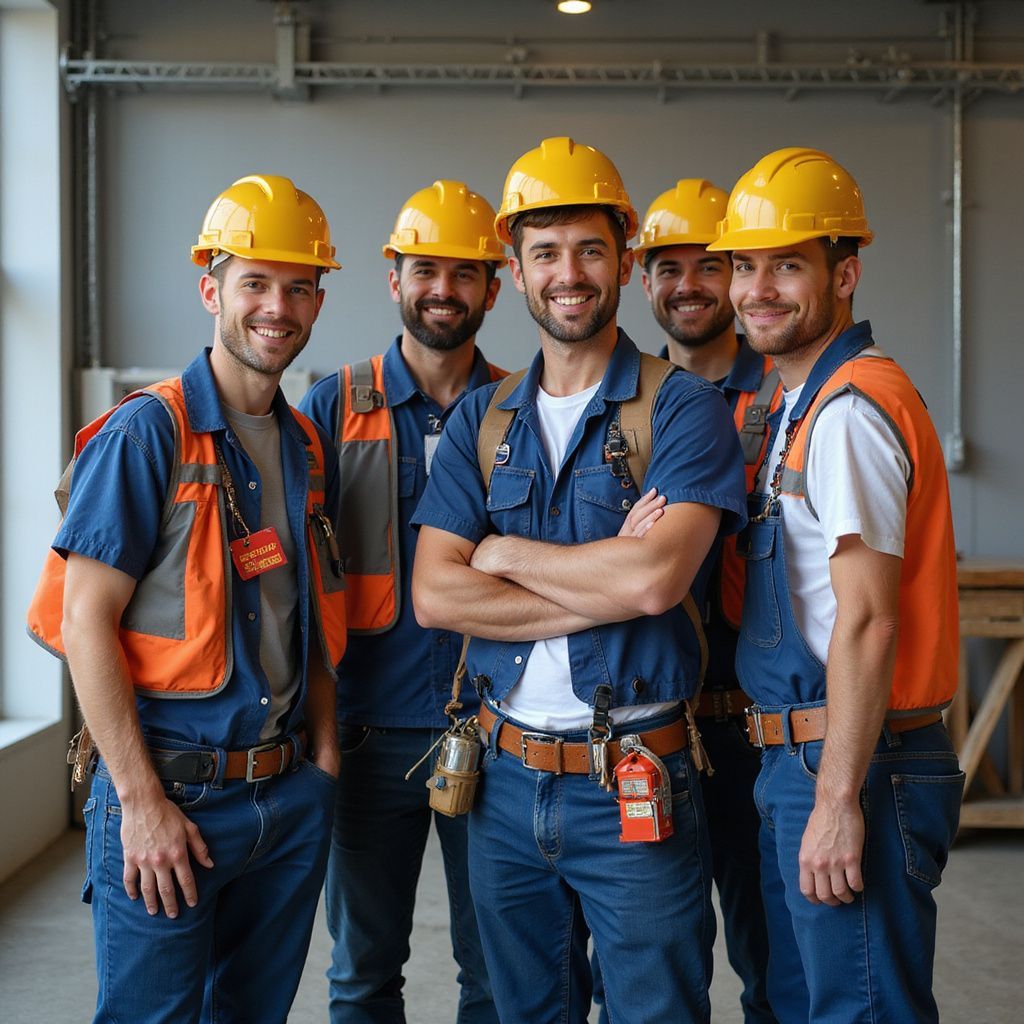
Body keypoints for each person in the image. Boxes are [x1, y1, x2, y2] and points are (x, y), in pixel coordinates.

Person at [410, 137, 747, 1024]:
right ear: (514, 272)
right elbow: (435, 596)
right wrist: (600, 576)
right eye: (546, 252)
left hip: (636, 775)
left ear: (623, 261)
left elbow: (652, 583)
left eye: (591, 249)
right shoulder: (484, 419)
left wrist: (504, 553)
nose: (570, 272)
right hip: (504, 777)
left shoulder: (682, 409)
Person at [27, 174, 347, 1024]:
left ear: (318, 300)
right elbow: (82, 619)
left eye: (298, 287)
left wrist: (321, 760)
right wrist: (138, 805)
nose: (276, 306)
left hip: (282, 798)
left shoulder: (304, 442)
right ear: (212, 289)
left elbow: (304, 610)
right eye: (255, 283)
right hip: (171, 799)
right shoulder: (147, 433)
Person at [707, 147, 964, 1023]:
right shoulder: (794, 408)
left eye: (787, 265)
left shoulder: (850, 410)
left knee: (860, 1010)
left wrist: (836, 800)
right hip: (810, 755)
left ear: (844, 273)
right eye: (745, 265)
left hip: (855, 760)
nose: (758, 289)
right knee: (809, 1001)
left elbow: (866, 622)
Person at [299, 180, 503, 1024]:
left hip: (494, 735)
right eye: (425, 269)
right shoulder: (332, 405)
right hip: (365, 736)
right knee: (362, 972)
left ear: (495, 287)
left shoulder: (522, 409)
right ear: (394, 278)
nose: (443, 290)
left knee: (498, 972)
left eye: (465, 273)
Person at [633, 179, 781, 1024]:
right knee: (654, 968)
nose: (687, 284)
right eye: (667, 266)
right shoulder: (628, 404)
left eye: (709, 265)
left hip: (761, 730)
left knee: (774, 967)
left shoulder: (789, 394)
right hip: (657, 726)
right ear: (643, 279)